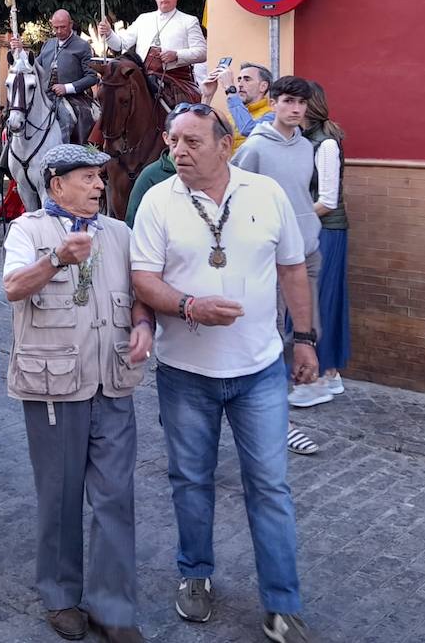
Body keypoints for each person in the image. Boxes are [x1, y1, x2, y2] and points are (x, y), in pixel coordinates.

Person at [130, 104, 318, 642]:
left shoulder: (266, 193)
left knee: (270, 487)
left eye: (191, 141)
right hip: (185, 373)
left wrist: (304, 340)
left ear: (224, 145)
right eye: (173, 141)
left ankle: (282, 604)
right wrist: (189, 306)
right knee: (191, 482)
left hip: (259, 371)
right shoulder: (158, 199)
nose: (178, 151)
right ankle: (195, 574)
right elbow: (143, 278)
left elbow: (292, 269)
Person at [3, 143, 149, 643]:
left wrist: (144, 324)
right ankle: (61, 595)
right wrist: (56, 258)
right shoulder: (27, 230)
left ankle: (113, 608)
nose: (99, 186)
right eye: (87, 177)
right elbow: (12, 287)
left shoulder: (120, 233)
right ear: (57, 184)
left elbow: (140, 294)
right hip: (55, 387)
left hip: (113, 383)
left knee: (116, 497)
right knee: (60, 496)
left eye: (100, 177)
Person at [231, 76, 326, 413]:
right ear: (273, 104)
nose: (296, 109)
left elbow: (303, 195)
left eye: (301, 102)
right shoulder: (254, 148)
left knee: (307, 323)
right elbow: (233, 193)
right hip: (270, 254)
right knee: (269, 323)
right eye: (288, 101)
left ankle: (301, 381)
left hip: (307, 248)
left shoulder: (306, 147)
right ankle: (266, 394)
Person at [297, 82, 349, 404]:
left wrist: (292, 218)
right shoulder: (301, 140)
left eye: (297, 100)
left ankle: (317, 379)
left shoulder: (326, 144)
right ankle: (329, 375)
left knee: (319, 303)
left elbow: (328, 200)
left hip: (326, 231)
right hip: (312, 230)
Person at [98, 0, 207, 103]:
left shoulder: (189, 21)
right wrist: (109, 33)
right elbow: (121, 44)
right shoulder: (143, 19)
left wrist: (177, 55)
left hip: (175, 79)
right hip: (143, 78)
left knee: (184, 111)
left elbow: (202, 52)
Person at [10, 9, 100, 145]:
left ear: (70, 24)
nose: (58, 31)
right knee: (19, 115)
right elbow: (34, 66)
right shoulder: (48, 44)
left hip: (71, 98)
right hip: (45, 95)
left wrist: (67, 88)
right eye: (55, 27)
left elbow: (92, 77)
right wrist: (21, 50)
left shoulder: (82, 46)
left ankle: (61, 153)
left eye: (62, 27)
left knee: (65, 119)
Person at [201, 61, 275, 151]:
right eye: (239, 80)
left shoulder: (272, 116)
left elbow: (248, 129)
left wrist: (230, 88)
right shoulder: (230, 118)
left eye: (247, 80)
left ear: (263, 86)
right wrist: (207, 97)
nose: (240, 85)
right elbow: (202, 137)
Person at [124, 135, 174, 228]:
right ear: (166, 138)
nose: (182, 148)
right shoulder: (149, 176)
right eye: (175, 140)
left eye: (191, 141)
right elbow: (132, 222)